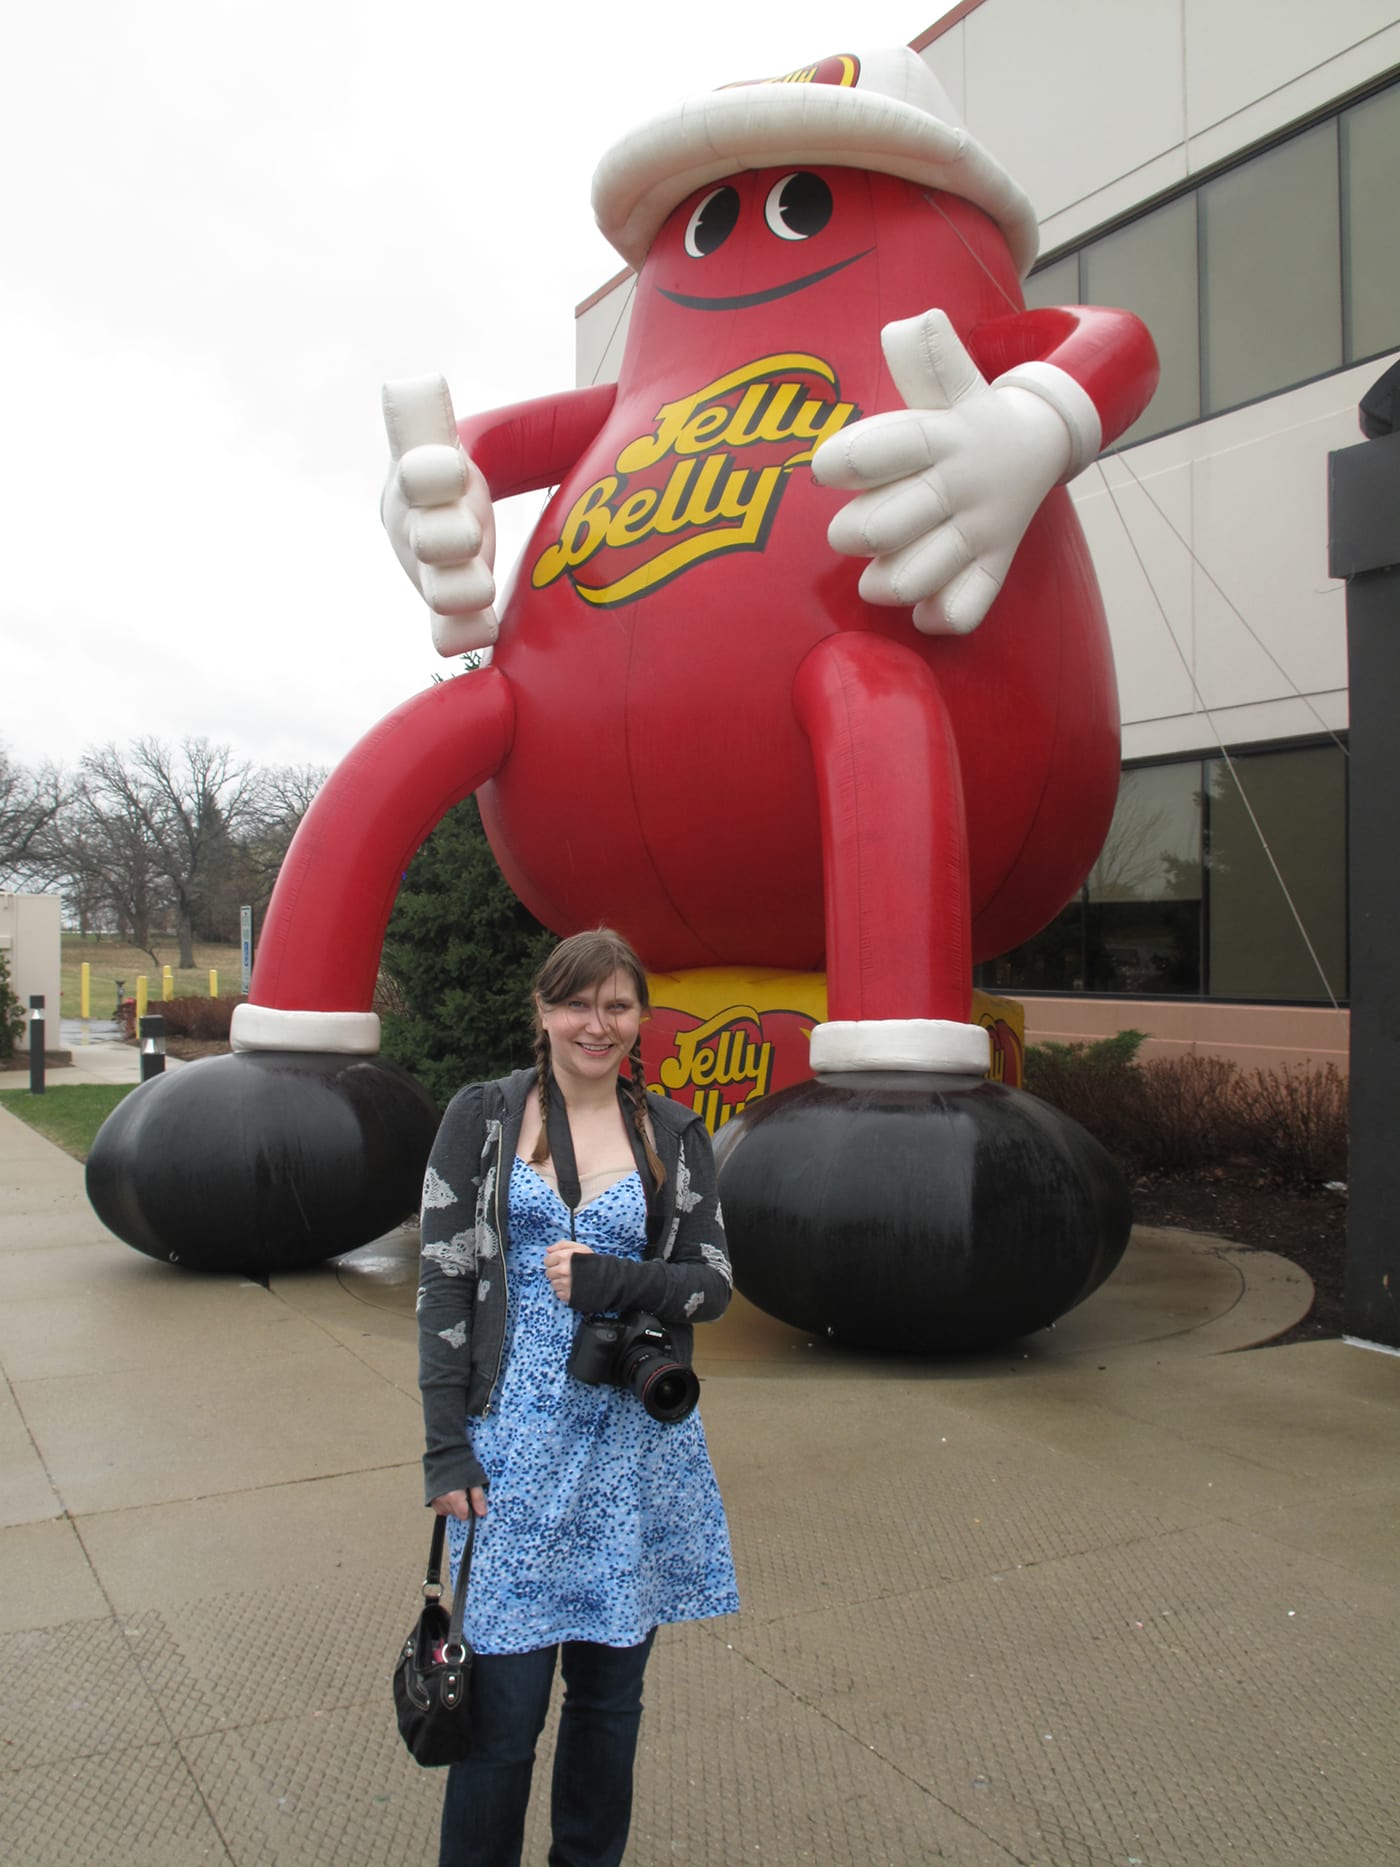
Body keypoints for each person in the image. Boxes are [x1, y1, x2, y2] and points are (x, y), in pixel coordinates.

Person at [416, 927, 739, 1867]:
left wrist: (616, 1280)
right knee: (499, 1720)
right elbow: (442, 1284)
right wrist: (445, 1446)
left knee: (608, 1708)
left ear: (641, 1017)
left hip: (631, 1449)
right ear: (543, 1009)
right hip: (510, 1454)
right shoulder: (479, 1119)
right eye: (576, 1003)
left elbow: (711, 1284)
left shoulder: (673, 1133)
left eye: (617, 1006)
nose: (595, 1025)